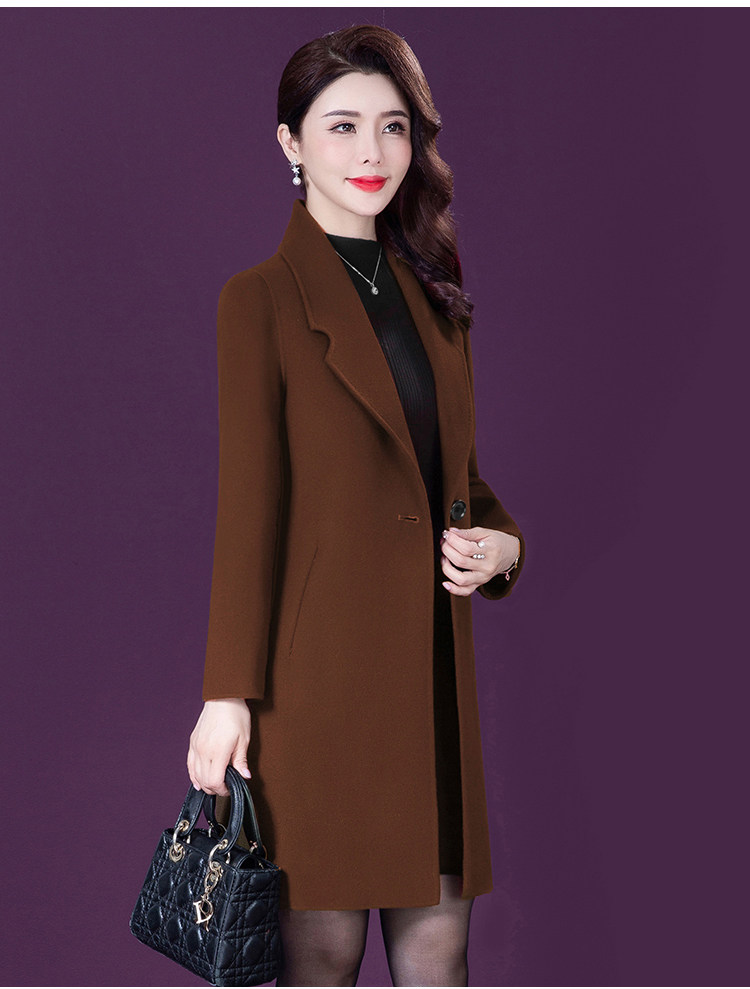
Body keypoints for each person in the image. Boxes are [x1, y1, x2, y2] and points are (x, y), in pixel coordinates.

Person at [187, 24, 525, 987]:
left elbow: (460, 482)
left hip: (433, 686)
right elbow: (249, 510)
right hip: (317, 692)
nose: (372, 151)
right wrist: (226, 693)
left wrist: (504, 548)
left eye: (393, 126)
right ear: (290, 142)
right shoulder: (260, 300)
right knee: (321, 963)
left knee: (439, 959)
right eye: (342, 126)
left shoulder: (439, 302)